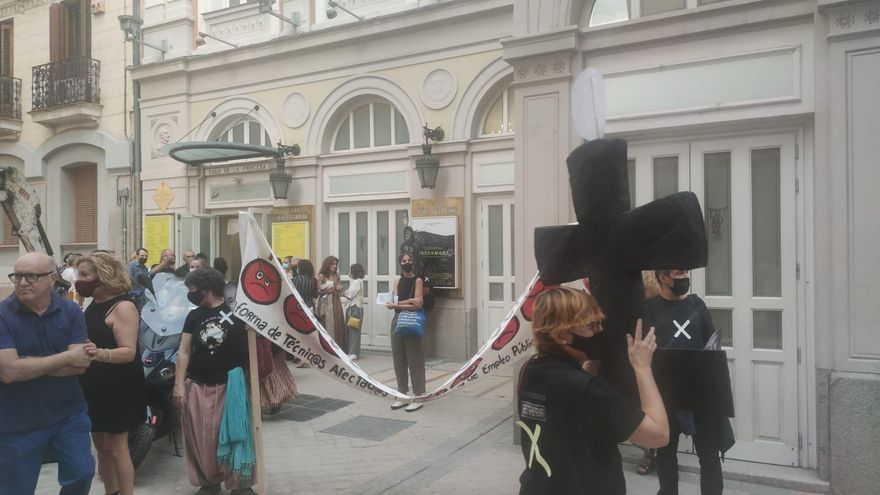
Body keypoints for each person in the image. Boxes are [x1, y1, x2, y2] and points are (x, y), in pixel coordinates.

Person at [517, 287, 669, 494]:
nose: (600, 332)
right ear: (561, 336)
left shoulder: (530, 370)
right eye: (592, 326)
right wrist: (642, 367)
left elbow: (567, 413)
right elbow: (658, 435)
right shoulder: (586, 390)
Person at [0, 252, 96, 495]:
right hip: (17, 420)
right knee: (16, 489)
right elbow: (9, 371)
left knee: (82, 473)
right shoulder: (2, 314)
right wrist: (65, 357)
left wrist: (28, 365)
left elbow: (81, 364)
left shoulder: (71, 311)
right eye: (17, 276)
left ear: (52, 278)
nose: (22, 282)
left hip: (69, 414)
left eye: (30, 276)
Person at [174, 267, 256, 495]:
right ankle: (209, 482)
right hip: (199, 385)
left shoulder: (238, 312)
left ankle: (241, 483)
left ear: (206, 288)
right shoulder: (194, 316)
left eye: (192, 289)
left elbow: (252, 347)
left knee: (234, 435)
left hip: (232, 388)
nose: (190, 294)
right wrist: (179, 384)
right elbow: (184, 351)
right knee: (202, 439)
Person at [643, 269, 724, 495]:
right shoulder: (649, 310)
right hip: (666, 396)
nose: (684, 277)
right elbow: (644, 354)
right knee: (666, 455)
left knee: (709, 456)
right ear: (663, 278)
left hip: (700, 395)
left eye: (686, 272)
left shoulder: (697, 305)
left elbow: (713, 345)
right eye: (679, 273)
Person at [75, 252, 145, 495]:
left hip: (119, 386)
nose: (79, 280)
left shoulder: (123, 306)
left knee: (116, 447)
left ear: (103, 275)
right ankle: (111, 491)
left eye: (85, 275)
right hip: (94, 385)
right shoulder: (93, 303)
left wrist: (100, 353)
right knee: (101, 447)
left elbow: (128, 352)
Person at [385, 253, 425, 412]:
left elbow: (418, 305)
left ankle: (419, 395)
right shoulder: (397, 280)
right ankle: (402, 393)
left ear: (413, 262)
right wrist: (408, 301)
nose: (407, 263)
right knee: (398, 358)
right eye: (404, 261)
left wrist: (398, 305)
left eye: (409, 260)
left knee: (415, 359)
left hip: (412, 321)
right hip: (397, 321)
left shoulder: (418, 280)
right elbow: (394, 302)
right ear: (400, 263)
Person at [318, 256, 347, 352]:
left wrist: (338, 288)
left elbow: (338, 287)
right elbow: (319, 288)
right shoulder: (322, 275)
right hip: (326, 301)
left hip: (335, 300)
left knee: (337, 322)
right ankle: (327, 347)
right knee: (327, 322)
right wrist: (332, 287)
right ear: (327, 264)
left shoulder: (337, 275)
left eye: (336, 264)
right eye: (332, 264)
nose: (334, 266)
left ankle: (337, 347)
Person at [343, 263, 365, 360]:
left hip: (354, 307)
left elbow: (349, 295)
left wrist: (344, 292)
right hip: (358, 307)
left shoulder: (356, 282)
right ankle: (355, 351)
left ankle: (353, 352)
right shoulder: (360, 281)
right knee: (355, 329)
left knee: (353, 330)